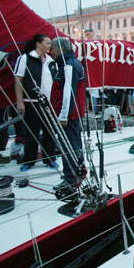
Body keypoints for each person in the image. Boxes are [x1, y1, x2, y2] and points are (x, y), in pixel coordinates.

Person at [14, 34, 57, 171]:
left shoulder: (51, 61)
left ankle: (50, 158)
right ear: (38, 44)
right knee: (32, 132)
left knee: (49, 131)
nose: (50, 46)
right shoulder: (25, 59)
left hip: (48, 103)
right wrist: (19, 101)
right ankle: (29, 160)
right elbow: (18, 80)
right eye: (47, 43)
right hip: (32, 101)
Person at [50, 37, 87, 190]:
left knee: (68, 147)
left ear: (62, 49)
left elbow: (68, 92)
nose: (51, 51)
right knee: (75, 145)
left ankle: (71, 180)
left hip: (69, 115)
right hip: (73, 114)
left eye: (53, 48)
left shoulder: (69, 65)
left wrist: (63, 115)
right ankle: (78, 172)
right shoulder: (71, 63)